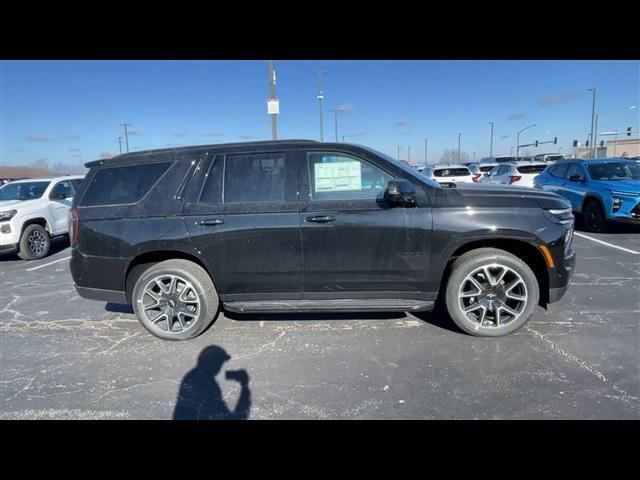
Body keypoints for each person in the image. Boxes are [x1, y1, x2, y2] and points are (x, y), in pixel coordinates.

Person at [173, 345, 251, 420]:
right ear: (211, 363)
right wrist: (244, 386)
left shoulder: (198, 376)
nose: (219, 367)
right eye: (219, 363)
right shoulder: (203, 383)